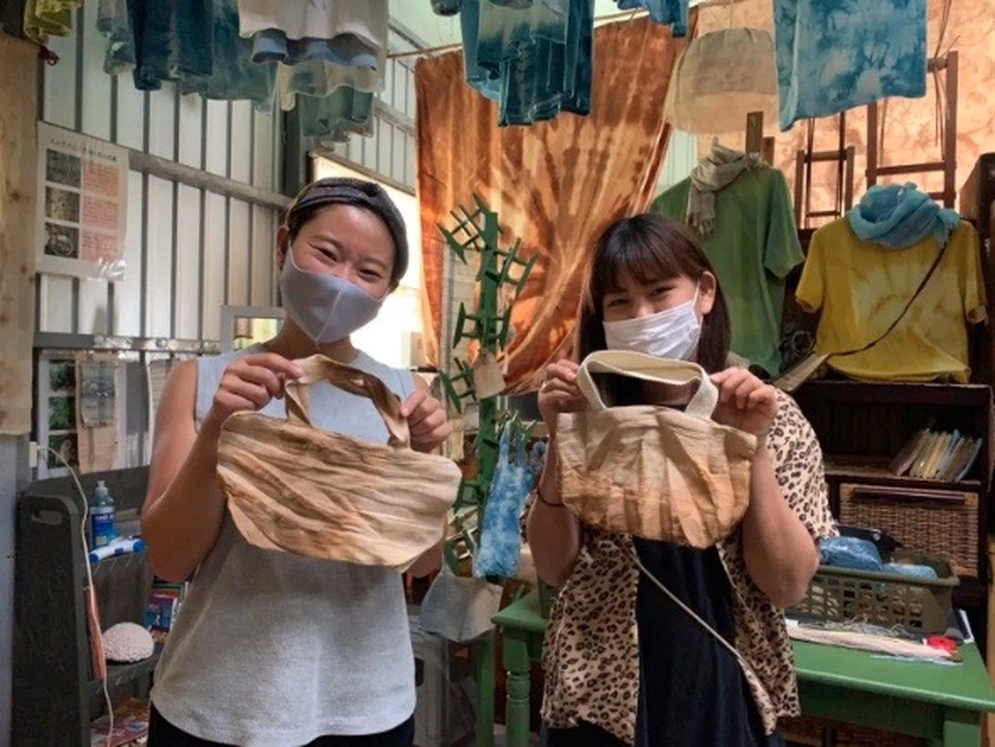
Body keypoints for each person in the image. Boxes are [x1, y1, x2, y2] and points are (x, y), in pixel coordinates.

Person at [142, 177, 452, 747]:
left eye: (368, 272)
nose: (341, 282)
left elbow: (423, 562)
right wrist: (219, 427)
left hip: (366, 705)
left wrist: (425, 458)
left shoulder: (404, 398)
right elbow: (169, 557)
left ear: (386, 292)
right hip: (220, 702)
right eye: (327, 253)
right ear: (284, 245)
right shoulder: (203, 381)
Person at [527, 214, 835, 746]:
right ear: (601, 316)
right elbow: (555, 567)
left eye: (659, 292)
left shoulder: (770, 414)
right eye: (620, 302)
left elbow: (786, 584)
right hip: (599, 681)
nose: (642, 316)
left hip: (721, 674)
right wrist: (562, 439)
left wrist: (750, 448)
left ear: (705, 292)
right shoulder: (590, 412)